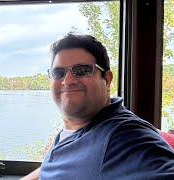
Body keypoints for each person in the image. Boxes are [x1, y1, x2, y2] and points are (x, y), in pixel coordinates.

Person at [21, 33, 174, 180]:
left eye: (81, 70)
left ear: (107, 80)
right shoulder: (78, 127)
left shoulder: (123, 135)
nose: (67, 80)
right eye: (58, 72)